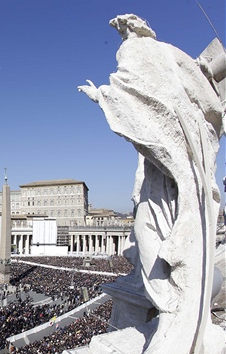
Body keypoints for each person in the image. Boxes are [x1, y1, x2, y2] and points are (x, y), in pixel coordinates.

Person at [79, 14, 224, 353]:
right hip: (168, 180)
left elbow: (135, 98)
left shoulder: (148, 56)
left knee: (148, 235)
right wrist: (104, 97)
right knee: (146, 236)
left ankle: (174, 313)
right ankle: (174, 311)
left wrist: (104, 97)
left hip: (171, 184)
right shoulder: (168, 59)